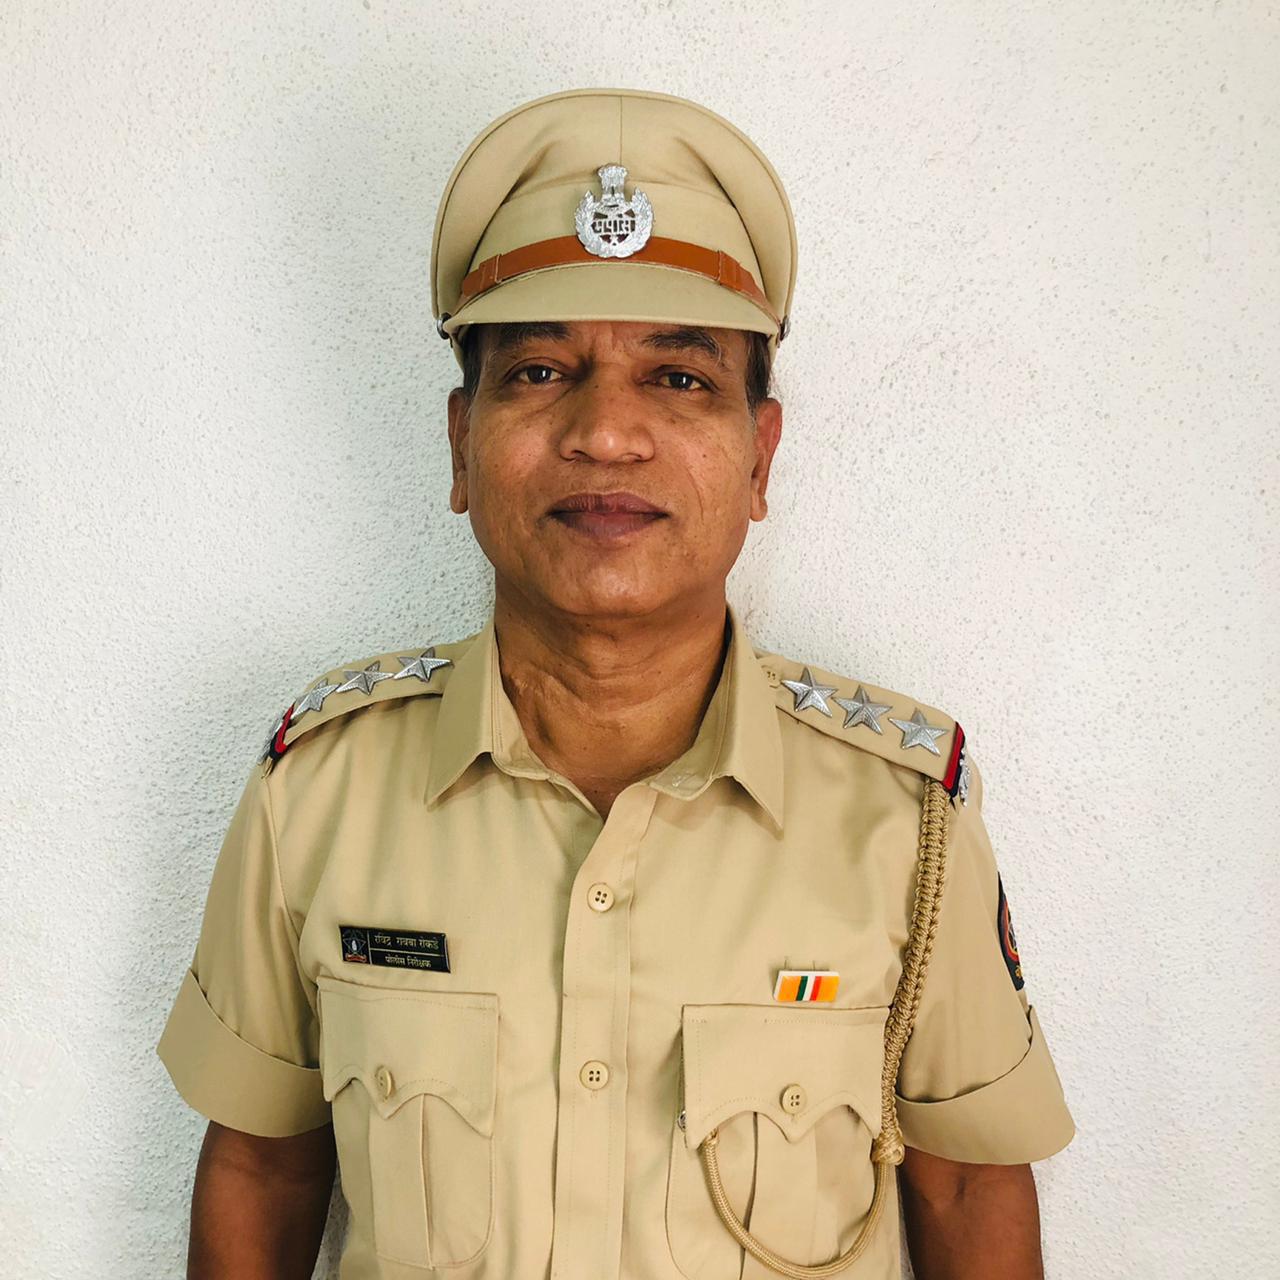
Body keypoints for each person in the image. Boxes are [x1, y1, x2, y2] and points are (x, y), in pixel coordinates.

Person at [156, 87, 1074, 1280]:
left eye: (679, 378)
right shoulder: (318, 791)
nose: (604, 433)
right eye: (541, 370)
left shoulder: (903, 820)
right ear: (458, 443)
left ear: (760, 456)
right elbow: (263, 1168)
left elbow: (964, 1182)